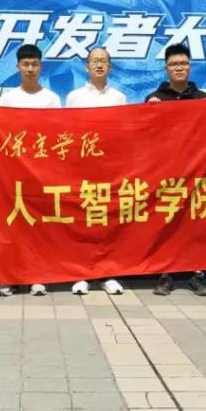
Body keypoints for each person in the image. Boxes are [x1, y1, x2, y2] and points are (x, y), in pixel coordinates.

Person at [145, 43, 206, 296]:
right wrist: (148, 111)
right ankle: (166, 275)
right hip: (166, 174)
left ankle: (197, 275)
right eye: (174, 64)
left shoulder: (203, 98)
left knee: (196, 224)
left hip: (197, 173)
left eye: (183, 63)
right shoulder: (155, 98)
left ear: (190, 67)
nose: (179, 68)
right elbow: (145, 135)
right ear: (166, 68)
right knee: (166, 223)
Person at [0, 44, 61, 296]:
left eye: (34, 64)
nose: (30, 69)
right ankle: (12, 277)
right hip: (14, 171)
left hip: (42, 172)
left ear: (41, 67)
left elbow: (57, 134)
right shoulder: (7, 99)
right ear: (18, 67)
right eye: (25, 64)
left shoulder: (51, 99)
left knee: (40, 226)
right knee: (15, 225)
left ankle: (38, 276)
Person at [65, 47, 127, 296]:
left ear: (110, 67)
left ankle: (107, 274)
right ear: (87, 66)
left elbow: (123, 134)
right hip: (82, 168)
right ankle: (82, 274)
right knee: (82, 221)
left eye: (103, 61)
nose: (99, 65)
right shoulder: (74, 97)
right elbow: (67, 133)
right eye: (95, 61)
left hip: (110, 168)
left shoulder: (119, 97)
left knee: (107, 221)